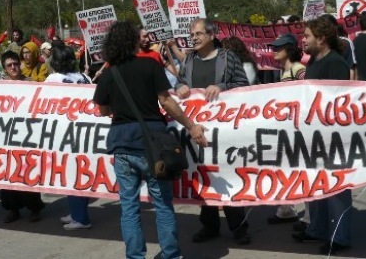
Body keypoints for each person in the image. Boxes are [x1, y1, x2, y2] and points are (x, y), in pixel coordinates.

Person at [93, 21, 208, 259]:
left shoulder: (109, 73)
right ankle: (171, 254)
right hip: (153, 145)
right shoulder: (150, 65)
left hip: (123, 144)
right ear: (134, 41)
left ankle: (135, 256)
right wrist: (191, 126)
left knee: (129, 207)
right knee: (163, 204)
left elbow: (103, 111)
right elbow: (166, 101)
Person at [175, 18, 251, 246]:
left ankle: (239, 227)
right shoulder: (188, 60)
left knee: (226, 176)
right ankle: (209, 226)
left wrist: (222, 87)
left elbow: (244, 85)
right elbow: (178, 82)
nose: (194, 38)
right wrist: (180, 88)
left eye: (198, 34)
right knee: (202, 177)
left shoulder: (228, 57)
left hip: (224, 132)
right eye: (192, 34)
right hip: (196, 130)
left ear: (211, 35)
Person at [292, 17, 351, 255]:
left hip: (331, 137)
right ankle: (316, 228)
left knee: (336, 189)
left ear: (322, 38)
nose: (303, 40)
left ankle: (341, 236)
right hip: (312, 135)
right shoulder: (316, 59)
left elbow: (338, 103)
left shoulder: (336, 63)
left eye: (306, 36)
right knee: (314, 184)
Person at [45, 45, 93, 230]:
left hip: (65, 133)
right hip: (85, 131)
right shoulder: (84, 77)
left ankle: (81, 218)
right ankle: (76, 212)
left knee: (72, 175)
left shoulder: (53, 78)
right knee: (79, 172)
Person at [0, 50, 45, 224]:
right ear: (4, 68)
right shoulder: (0, 87)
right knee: (8, 174)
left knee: (28, 172)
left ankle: (34, 208)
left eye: (16, 64)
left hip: (27, 135)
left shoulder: (31, 83)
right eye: (9, 65)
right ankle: (12, 209)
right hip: (7, 136)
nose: (13, 67)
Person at [267, 33, 306, 226]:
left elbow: (308, 92)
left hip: (296, 128)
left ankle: (306, 214)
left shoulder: (298, 69)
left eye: (279, 47)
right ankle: (285, 209)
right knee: (285, 168)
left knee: (297, 168)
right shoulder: (286, 70)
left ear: (289, 49)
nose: (275, 50)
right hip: (287, 127)